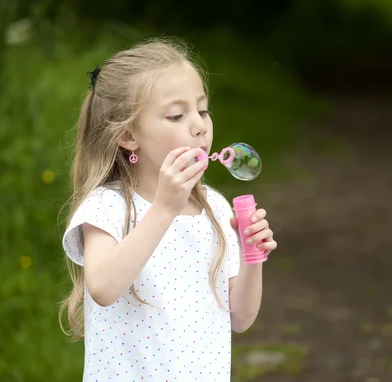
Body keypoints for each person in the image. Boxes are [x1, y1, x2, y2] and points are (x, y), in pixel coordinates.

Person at [58, 38, 278, 381]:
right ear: (129, 135)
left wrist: (253, 256)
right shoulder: (109, 207)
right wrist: (163, 209)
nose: (199, 125)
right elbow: (102, 287)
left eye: (203, 110)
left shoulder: (216, 208)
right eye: (177, 115)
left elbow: (241, 317)